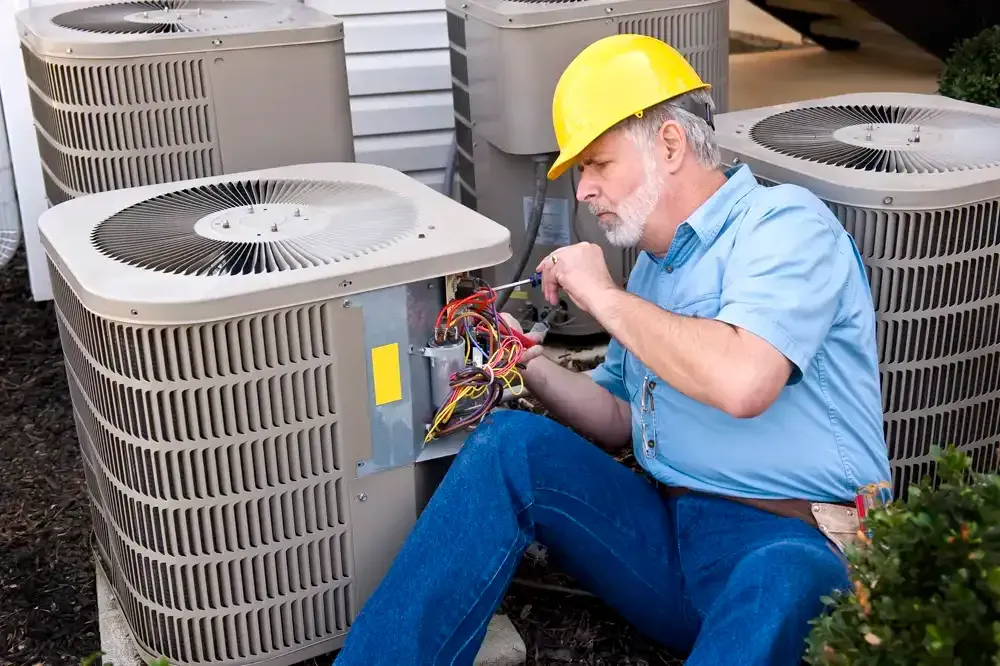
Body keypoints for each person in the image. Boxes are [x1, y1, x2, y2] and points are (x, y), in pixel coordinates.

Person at [333, 34, 890, 665]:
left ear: (670, 146)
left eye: (598, 164)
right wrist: (531, 366)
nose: (583, 193)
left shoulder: (785, 227)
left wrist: (603, 295)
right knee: (511, 445)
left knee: (785, 578)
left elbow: (744, 380)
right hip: (670, 540)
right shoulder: (653, 270)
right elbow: (621, 416)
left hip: (793, 540)